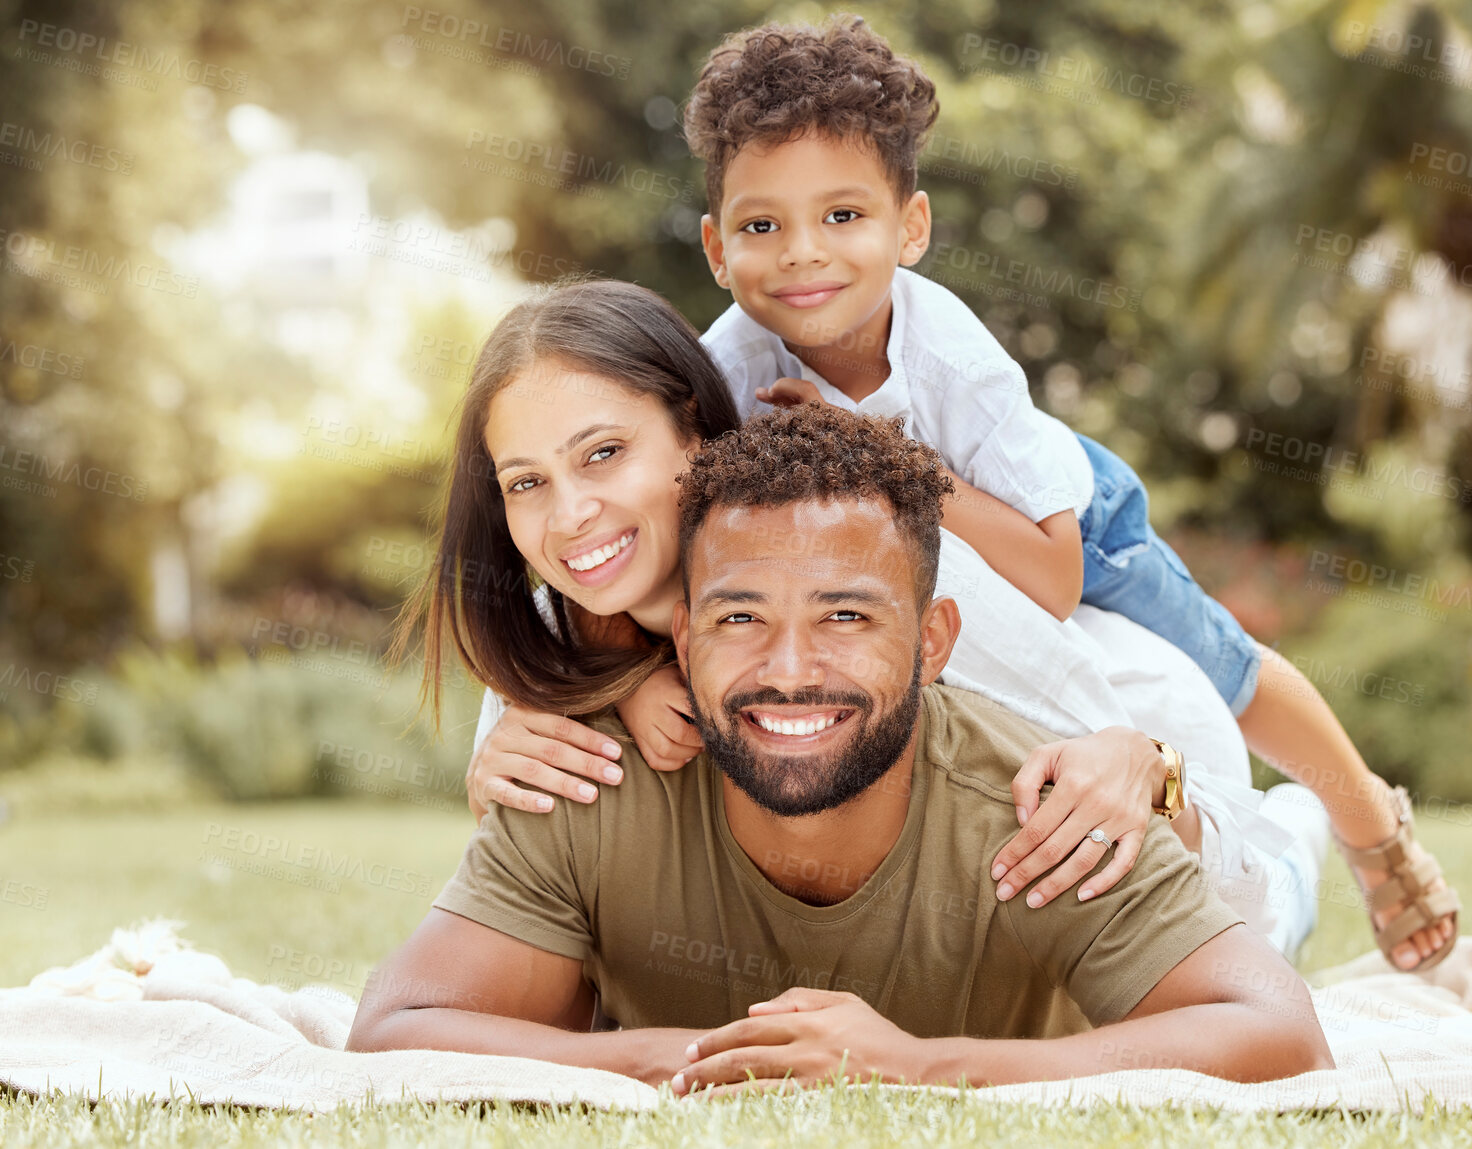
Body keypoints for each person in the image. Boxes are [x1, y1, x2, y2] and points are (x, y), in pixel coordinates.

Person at [680, 15, 1458, 971]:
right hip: (923, 557)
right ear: (718, 248)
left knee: (1228, 669)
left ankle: (1371, 825)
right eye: (764, 226)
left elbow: (1053, 579)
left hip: (1069, 516)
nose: (803, 253)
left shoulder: (957, 362)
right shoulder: (720, 375)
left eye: (843, 216)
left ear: (910, 227)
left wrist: (880, 452)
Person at [351, 402, 1334, 1091]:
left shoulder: (1042, 806)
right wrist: (706, 1057)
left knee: (1270, 891)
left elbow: (1279, 1028)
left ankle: (1308, 829)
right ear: (682, 638)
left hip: (1176, 762)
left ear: (936, 642)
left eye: (848, 617)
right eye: (740, 620)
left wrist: (916, 1067)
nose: (790, 669)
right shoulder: (595, 774)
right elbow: (398, 1026)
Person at [415, 278, 1327, 960]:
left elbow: (1121, 761)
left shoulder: (856, 544)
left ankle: (1303, 832)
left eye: (605, 453)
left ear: (694, 428)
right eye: (527, 482)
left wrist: (1150, 773)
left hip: (1150, 724)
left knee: (1259, 904)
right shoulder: (551, 634)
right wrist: (495, 770)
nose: (570, 514)